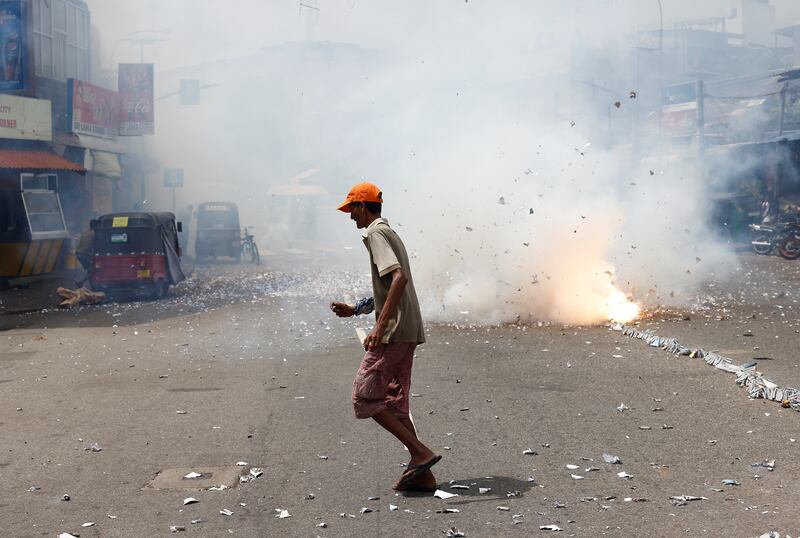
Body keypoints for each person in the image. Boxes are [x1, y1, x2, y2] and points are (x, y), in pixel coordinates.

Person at [330, 182, 440, 492]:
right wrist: (357, 310)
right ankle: (423, 473)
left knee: (365, 397)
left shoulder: (375, 233)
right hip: (407, 329)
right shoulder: (388, 232)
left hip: (393, 331)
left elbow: (399, 278)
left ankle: (421, 454)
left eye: (352, 210)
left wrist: (379, 327)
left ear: (363, 207)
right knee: (394, 402)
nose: (351, 218)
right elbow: (388, 283)